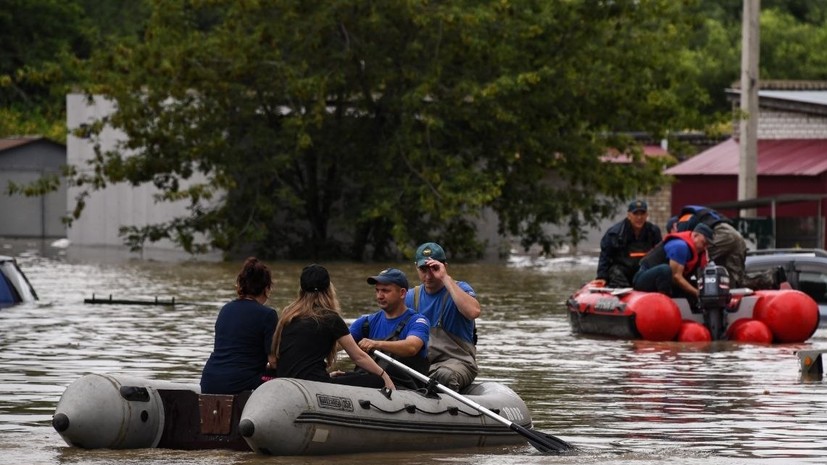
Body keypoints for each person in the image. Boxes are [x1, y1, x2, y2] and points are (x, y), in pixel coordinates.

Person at [269, 264, 395, 390]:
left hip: (287, 381)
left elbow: (298, 360)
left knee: (349, 375)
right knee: (375, 380)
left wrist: (328, 375)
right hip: (314, 384)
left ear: (301, 289)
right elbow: (358, 357)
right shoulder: (330, 318)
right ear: (329, 289)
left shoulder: (288, 315)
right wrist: (384, 376)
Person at [335, 268, 431, 389]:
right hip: (369, 382)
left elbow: (411, 347)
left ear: (402, 293)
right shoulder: (365, 322)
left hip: (403, 388)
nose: (379, 296)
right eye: (377, 290)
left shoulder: (417, 321)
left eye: (385, 291)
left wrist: (376, 344)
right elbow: (337, 345)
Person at [406, 242, 480, 392]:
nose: (428, 275)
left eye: (434, 268)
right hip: (422, 365)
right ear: (416, 267)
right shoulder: (410, 296)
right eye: (423, 269)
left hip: (458, 363)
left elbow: (473, 312)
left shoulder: (460, 289)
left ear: (444, 266)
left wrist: (445, 278)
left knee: (444, 376)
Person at [200, 257, 279, 394]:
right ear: (266, 288)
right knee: (283, 376)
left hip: (209, 379)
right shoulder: (268, 315)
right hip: (240, 383)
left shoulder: (225, 309)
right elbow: (273, 361)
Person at [632, 223, 713, 302]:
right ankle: (665, 303)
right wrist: (697, 293)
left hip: (665, 282)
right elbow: (676, 277)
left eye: (707, 245)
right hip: (643, 278)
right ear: (695, 236)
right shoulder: (680, 246)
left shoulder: (698, 252)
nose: (705, 248)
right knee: (665, 270)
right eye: (704, 243)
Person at [673, 205, 748, 288]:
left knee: (698, 256)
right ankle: (764, 280)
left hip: (720, 234)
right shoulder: (700, 213)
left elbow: (684, 240)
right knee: (734, 278)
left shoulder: (684, 218)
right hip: (734, 234)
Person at [596, 200, 663, 288]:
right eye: (636, 214)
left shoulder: (654, 231)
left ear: (647, 215)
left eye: (642, 214)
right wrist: (601, 277)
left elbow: (660, 254)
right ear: (629, 215)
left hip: (643, 270)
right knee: (615, 271)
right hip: (622, 271)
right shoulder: (615, 233)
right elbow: (605, 256)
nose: (639, 217)